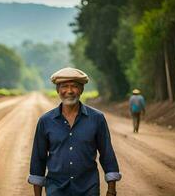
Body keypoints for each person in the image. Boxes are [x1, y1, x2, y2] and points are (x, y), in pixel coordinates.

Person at [28, 67, 121, 196]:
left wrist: (111, 190)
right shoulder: (45, 121)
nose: (70, 91)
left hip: (88, 189)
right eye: (64, 86)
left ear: (81, 90)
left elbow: (107, 154)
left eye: (74, 86)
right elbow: (38, 159)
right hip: (56, 190)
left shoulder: (97, 118)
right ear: (58, 90)